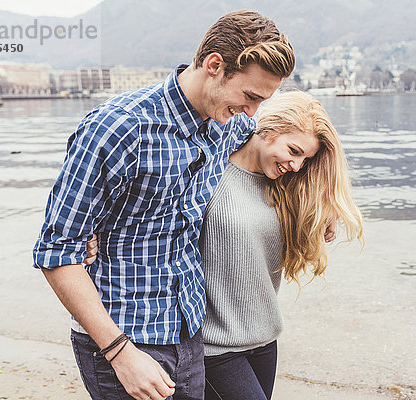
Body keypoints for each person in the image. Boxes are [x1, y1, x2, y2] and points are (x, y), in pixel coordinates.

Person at [32, 10, 294, 400]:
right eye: (251, 96)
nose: (254, 112)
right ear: (214, 65)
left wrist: (324, 207)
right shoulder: (119, 128)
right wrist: (120, 354)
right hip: (124, 339)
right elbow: (55, 251)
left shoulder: (228, 123)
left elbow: (288, 139)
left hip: (190, 335)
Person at [199, 91, 364, 400]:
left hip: (264, 343)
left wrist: (324, 208)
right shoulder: (209, 172)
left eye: (306, 159)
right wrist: (95, 234)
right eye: (294, 150)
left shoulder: (285, 188)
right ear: (268, 129)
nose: (297, 165)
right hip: (214, 348)